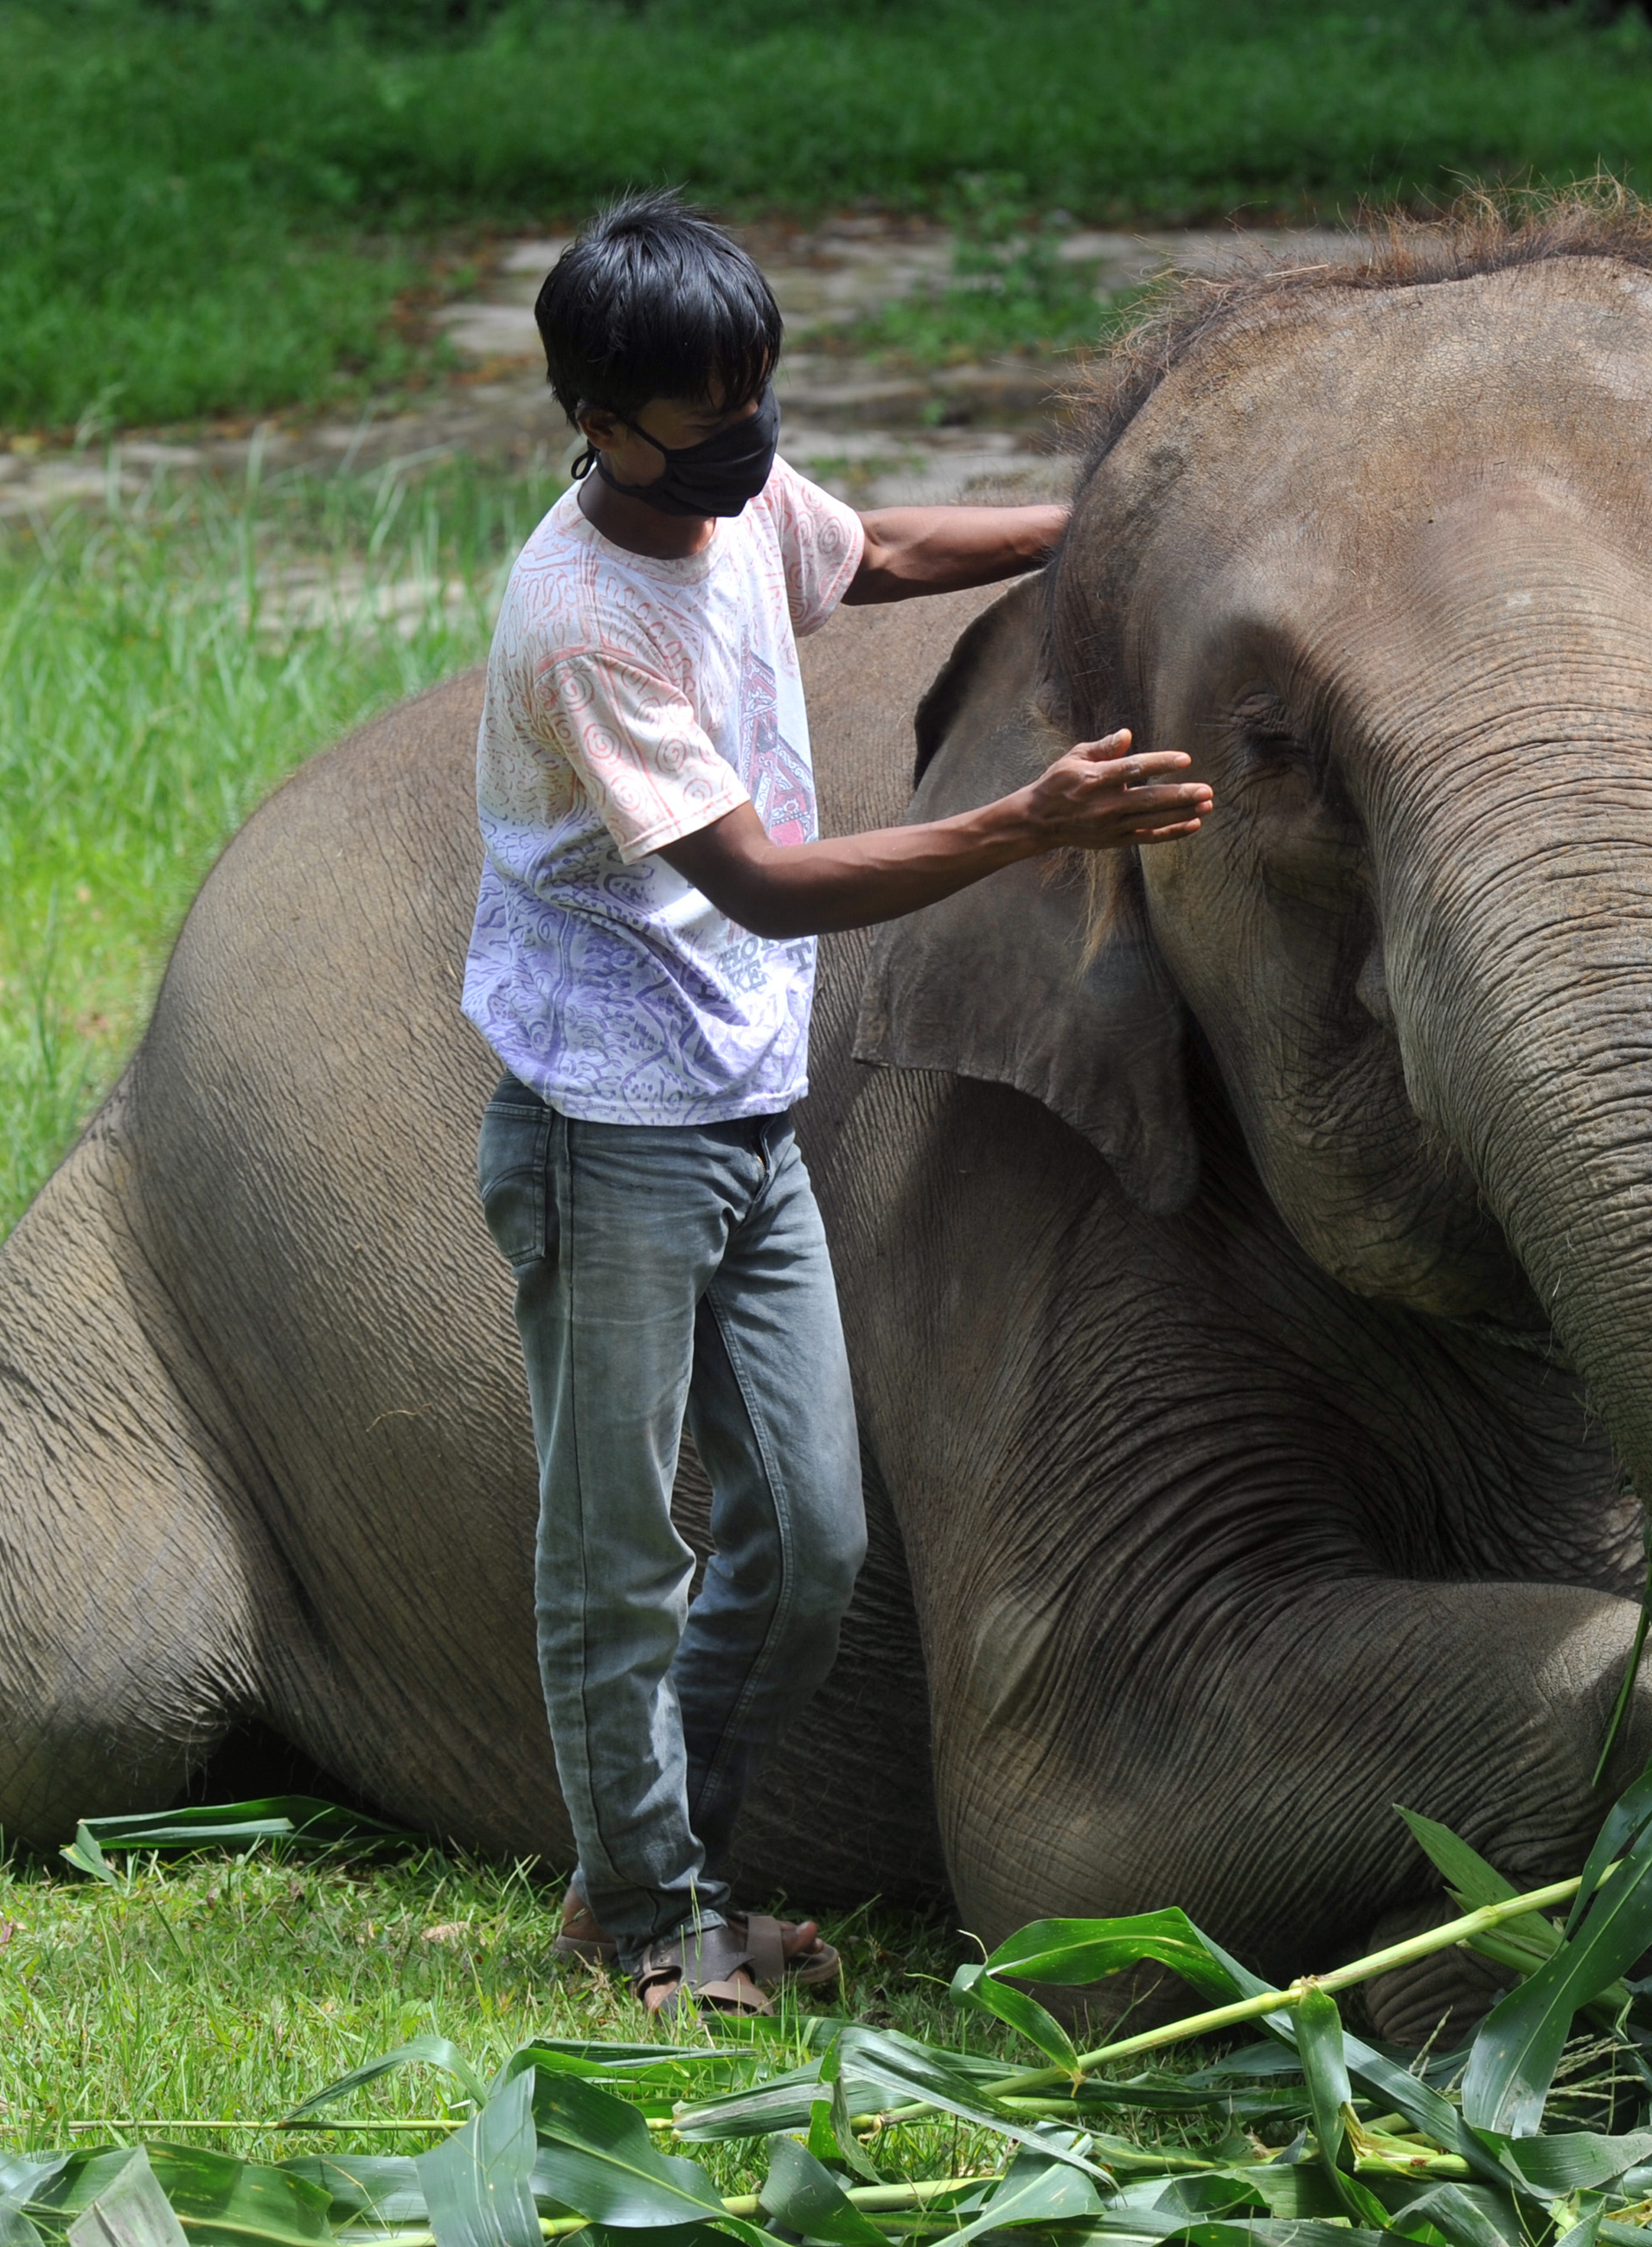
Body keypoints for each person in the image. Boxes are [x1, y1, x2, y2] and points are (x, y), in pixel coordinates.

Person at [464, 193, 1211, 2020]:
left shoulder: (729, 511)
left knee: (808, 1536)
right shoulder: (584, 622)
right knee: (617, 1542)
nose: (744, 437)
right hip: (604, 1130)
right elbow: (764, 882)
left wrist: (1102, 528)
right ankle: (645, 1918)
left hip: (737, 1100)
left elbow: (864, 551)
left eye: (756, 392)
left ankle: (669, 1871)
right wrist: (1022, 826)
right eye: (701, 410)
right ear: (591, 416)